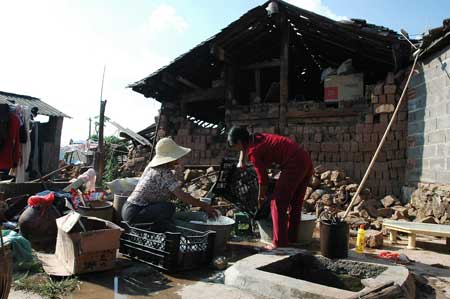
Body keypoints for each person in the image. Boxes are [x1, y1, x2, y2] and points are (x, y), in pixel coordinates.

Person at [228, 127, 313, 249]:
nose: (236, 149)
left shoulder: (254, 151)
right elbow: (244, 149)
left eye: (234, 146)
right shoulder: (256, 138)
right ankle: (291, 238)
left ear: (240, 143)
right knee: (295, 203)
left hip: (294, 163)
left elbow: (263, 180)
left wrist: (260, 198)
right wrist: (241, 161)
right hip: (305, 159)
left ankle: (279, 243)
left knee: (277, 204)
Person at [122, 137, 217, 225]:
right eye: (175, 159)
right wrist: (205, 206)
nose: (177, 161)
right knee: (168, 207)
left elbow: (169, 193)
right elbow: (182, 196)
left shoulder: (152, 167)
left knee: (166, 207)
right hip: (136, 212)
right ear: (169, 159)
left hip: (128, 209)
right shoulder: (164, 172)